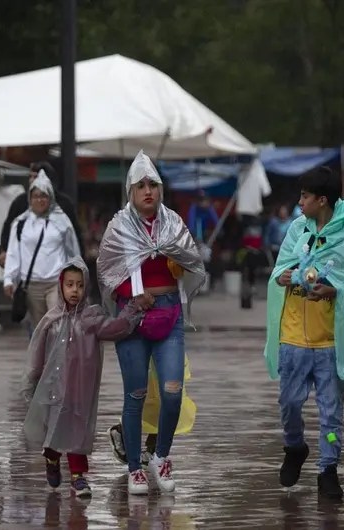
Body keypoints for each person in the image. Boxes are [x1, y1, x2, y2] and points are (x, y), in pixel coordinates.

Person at [97, 151, 206, 495]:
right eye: (141, 185)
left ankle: (160, 456)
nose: (148, 191)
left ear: (160, 189)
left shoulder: (173, 223)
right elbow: (107, 271)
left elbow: (191, 258)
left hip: (169, 312)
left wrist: (177, 261)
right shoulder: (118, 227)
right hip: (132, 317)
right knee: (136, 394)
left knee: (173, 391)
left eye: (153, 185)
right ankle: (134, 468)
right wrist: (133, 294)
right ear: (130, 191)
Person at [264, 168, 344, 499]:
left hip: (330, 341)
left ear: (322, 200)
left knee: (331, 413)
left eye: (305, 196)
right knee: (289, 404)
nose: (300, 202)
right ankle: (294, 446)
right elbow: (280, 268)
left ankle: (328, 467)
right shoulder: (297, 229)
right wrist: (283, 277)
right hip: (293, 337)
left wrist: (332, 290)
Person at [21, 258, 151, 497]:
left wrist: (133, 308)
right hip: (53, 389)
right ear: (61, 286)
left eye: (80, 285)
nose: (75, 290)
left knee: (77, 429)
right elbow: (37, 355)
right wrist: (32, 381)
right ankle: (51, 459)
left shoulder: (91, 319)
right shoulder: (51, 321)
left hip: (80, 390)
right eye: (70, 285)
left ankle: (78, 476)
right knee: (53, 429)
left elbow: (116, 327)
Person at [3, 172, 80, 327]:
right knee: (40, 329)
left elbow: (73, 250)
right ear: (30, 199)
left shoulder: (62, 221)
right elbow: (13, 253)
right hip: (31, 285)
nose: (40, 200)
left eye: (44, 196)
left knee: (57, 326)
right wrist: (8, 279)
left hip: (56, 283)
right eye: (36, 196)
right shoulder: (21, 223)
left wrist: (77, 277)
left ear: (50, 197)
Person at [0, 162, 82, 269]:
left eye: (36, 177)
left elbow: (74, 236)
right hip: (25, 265)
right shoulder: (20, 202)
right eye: (30, 176)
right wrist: (3, 250)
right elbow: (8, 229)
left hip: (56, 265)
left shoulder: (64, 205)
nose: (31, 180)